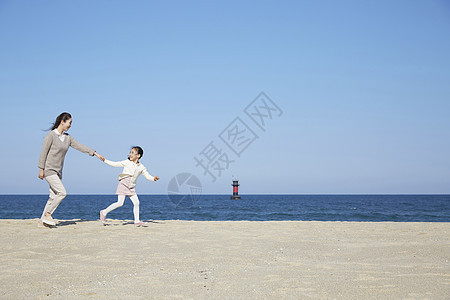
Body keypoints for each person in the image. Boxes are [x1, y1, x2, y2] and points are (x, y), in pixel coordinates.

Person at [38, 112, 105, 227]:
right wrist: (41, 169)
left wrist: (95, 153)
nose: (70, 125)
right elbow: (43, 153)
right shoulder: (51, 136)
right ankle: (48, 214)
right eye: (69, 122)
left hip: (59, 171)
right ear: (62, 122)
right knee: (62, 193)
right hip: (49, 170)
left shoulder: (67, 138)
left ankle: (42, 221)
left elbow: (80, 146)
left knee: (53, 197)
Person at [100, 146, 159, 226]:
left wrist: (153, 178)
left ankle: (137, 221)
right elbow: (115, 164)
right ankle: (104, 212)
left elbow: (147, 176)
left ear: (138, 155)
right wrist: (105, 160)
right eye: (130, 152)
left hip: (131, 186)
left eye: (133, 153)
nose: (130, 154)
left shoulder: (141, 167)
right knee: (120, 203)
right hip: (123, 184)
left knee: (137, 203)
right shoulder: (127, 162)